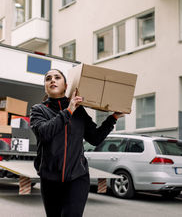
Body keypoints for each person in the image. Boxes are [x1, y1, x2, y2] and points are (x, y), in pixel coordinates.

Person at [30, 69, 125, 217]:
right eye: (48, 79)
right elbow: (44, 133)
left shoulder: (79, 111)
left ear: (66, 86)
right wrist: (68, 111)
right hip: (50, 179)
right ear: (45, 86)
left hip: (77, 177)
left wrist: (113, 118)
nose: (52, 80)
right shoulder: (38, 110)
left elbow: (95, 138)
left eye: (57, 77)